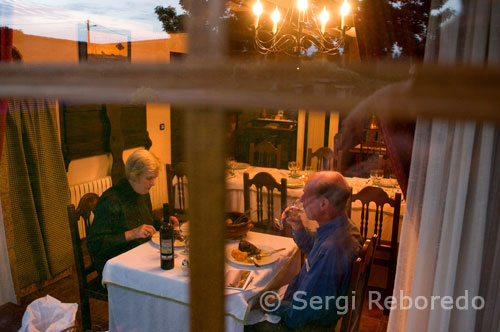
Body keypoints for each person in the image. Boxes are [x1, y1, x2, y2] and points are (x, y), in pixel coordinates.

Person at [246, 171, 363, 331]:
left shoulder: (331, 250)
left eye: (306, 195)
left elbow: (298, 315)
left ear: (323, 204)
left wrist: (270, 304)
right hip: (310, 308)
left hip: (306, 325)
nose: (301, 199)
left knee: (242, 316)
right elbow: (313, 247)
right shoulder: (345, 228)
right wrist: (298, 226)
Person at [87, 149, 177, 278]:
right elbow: (94, 244)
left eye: (154, 178)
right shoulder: (111, 200)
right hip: (114, 266)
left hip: (137, 256)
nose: (153, 183)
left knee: (168, 268)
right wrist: (131, 234)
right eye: (149, 178)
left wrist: (163, 222)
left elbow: (148, 221)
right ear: (134, 175)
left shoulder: (141, 193)